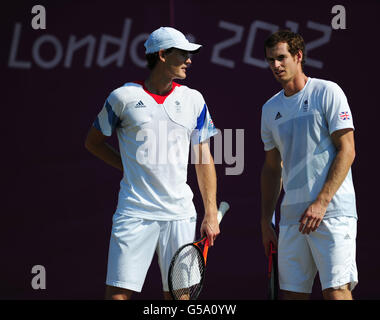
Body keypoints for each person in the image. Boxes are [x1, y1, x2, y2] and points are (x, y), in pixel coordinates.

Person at [84, 26, 219, 300]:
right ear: (162, 55)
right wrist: (129, 166)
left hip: (180, 214)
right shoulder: (122, 98)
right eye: (183, 54)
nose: (189, 60)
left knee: (179, 297)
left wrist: (211, 212)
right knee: (118, 295)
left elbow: (203, 158)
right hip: (134, 212)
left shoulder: (194, 100)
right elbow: (93, 142)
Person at [260, 30, 358, 300]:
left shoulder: (327, 92)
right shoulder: (269, 110)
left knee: (336, 293)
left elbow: (347, 150)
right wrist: (266, 220)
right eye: (270, 60)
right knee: (292, 296)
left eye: (281, 58)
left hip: (333, 214)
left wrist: (322, 202)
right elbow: (272, 168)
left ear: (298, 56)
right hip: (292, 219)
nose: (276, 65)